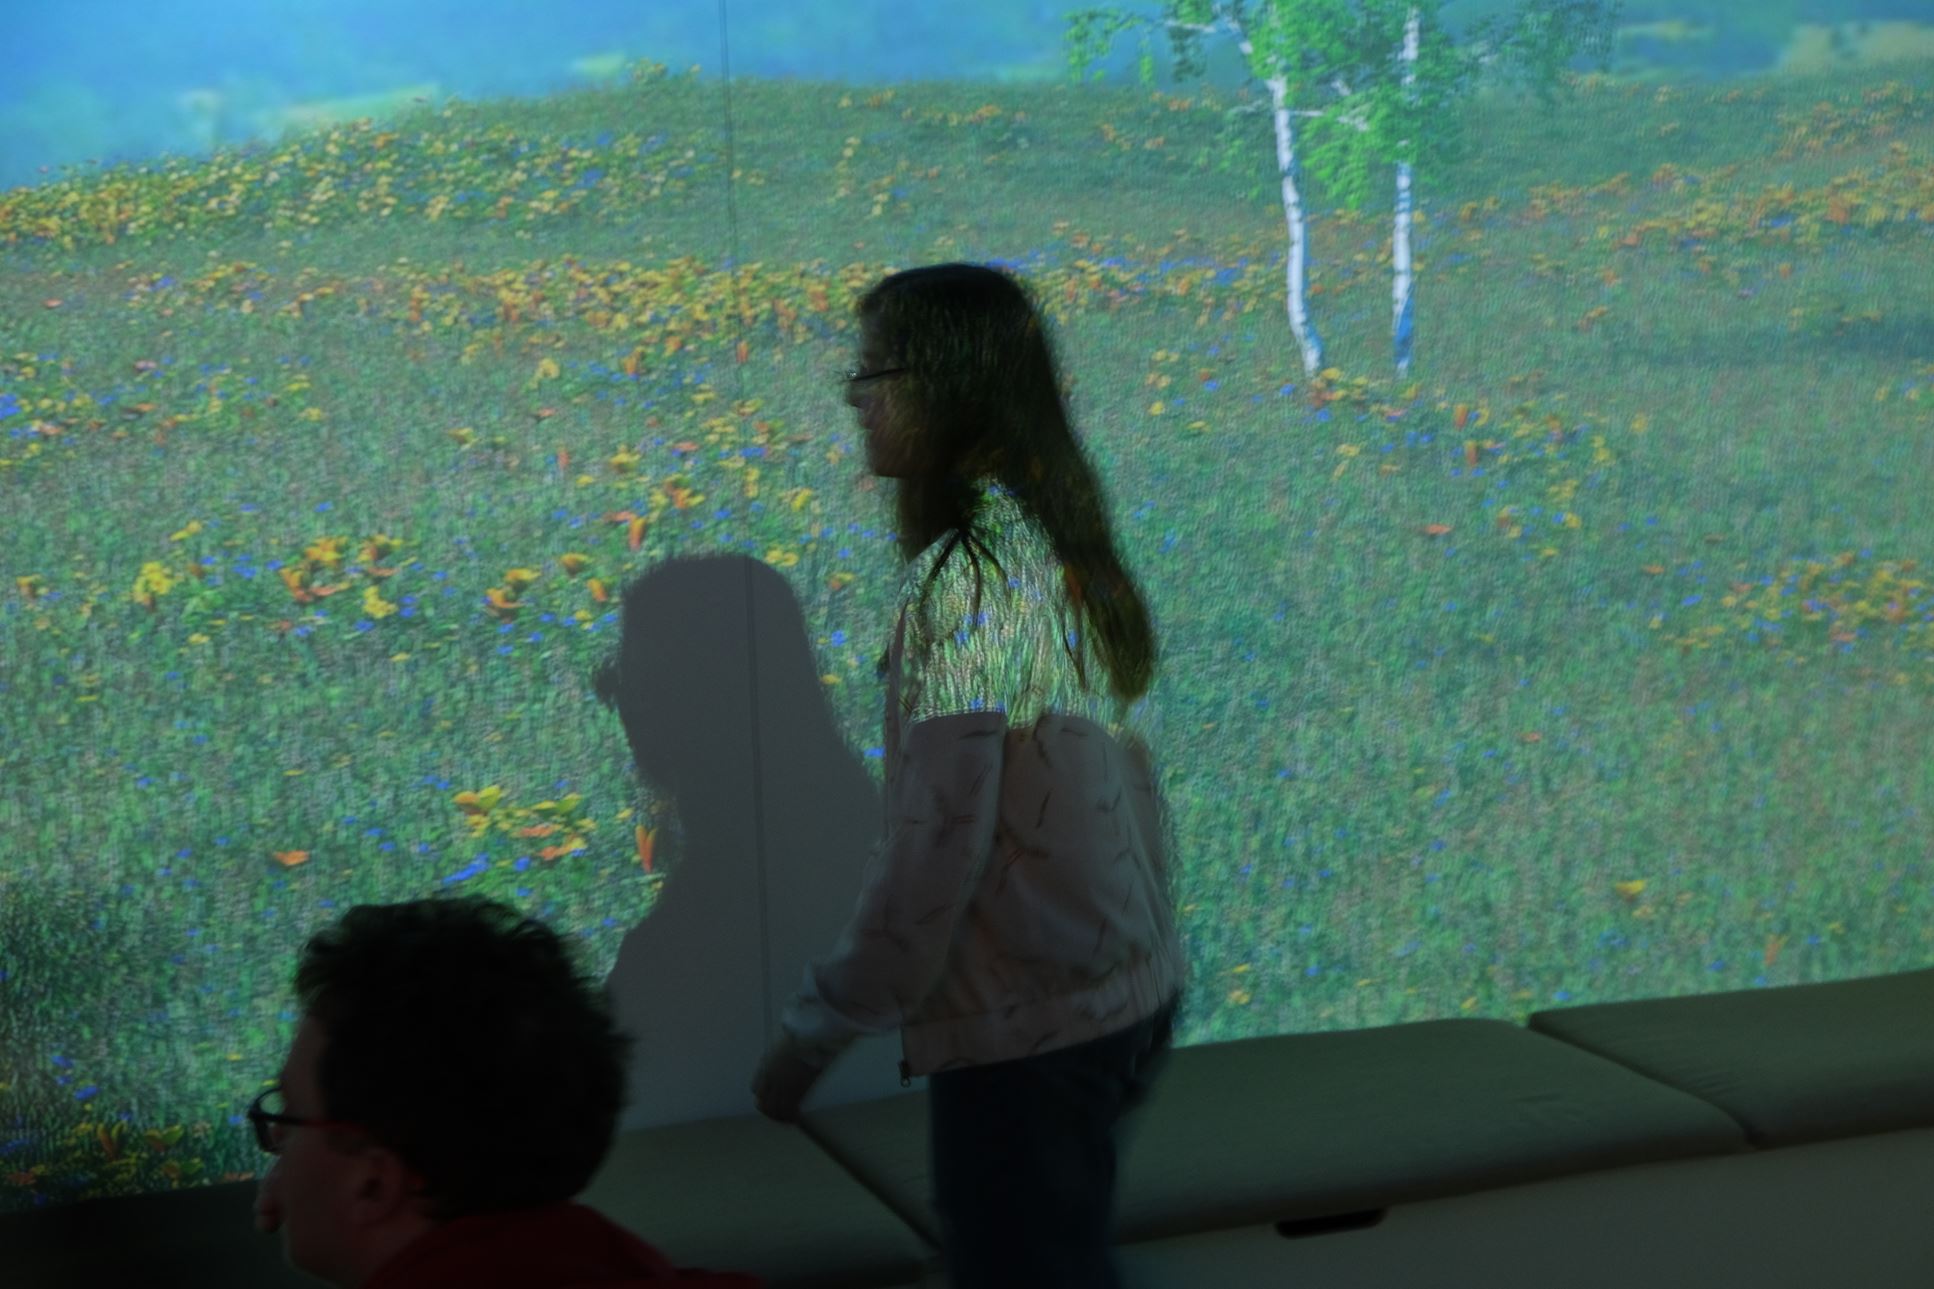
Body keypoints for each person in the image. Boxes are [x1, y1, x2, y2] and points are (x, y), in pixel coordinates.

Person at [247, 261, 1187, 1289]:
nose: (854, 396)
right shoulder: (1042, 546)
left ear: (950, 389)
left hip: (1027, 1029)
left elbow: (933, 858)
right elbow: (1118, 787)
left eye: (875, 371)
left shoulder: (964, 589)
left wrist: (804, 1043)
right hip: (1111, 997)